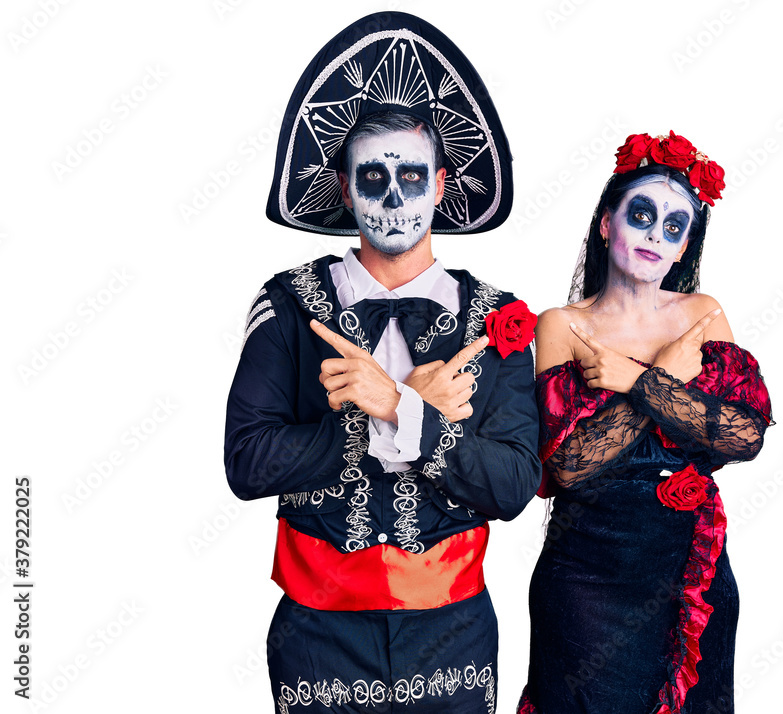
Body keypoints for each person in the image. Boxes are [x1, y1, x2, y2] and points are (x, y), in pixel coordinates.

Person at [224, 13, 540, 714]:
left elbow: (516, 485)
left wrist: (402, 409)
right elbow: (246, 464)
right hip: (319, 632)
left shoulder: (499, 320)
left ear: (439, 184)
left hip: (453, 633)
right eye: (373, 177)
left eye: (411, 176)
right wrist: (370, 426)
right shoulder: (288, 303)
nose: (394, 198)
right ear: (345, 188)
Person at [518, 132, 776, 714]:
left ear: (685, 247)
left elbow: (744, 434)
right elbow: (568, 467)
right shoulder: (562, 325)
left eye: (674, 226)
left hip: (688, 574)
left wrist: (636, 381)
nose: (655, 236)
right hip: (587, 582)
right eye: (641, 215)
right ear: (608, 224)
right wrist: (659, 380)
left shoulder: (702, 315)